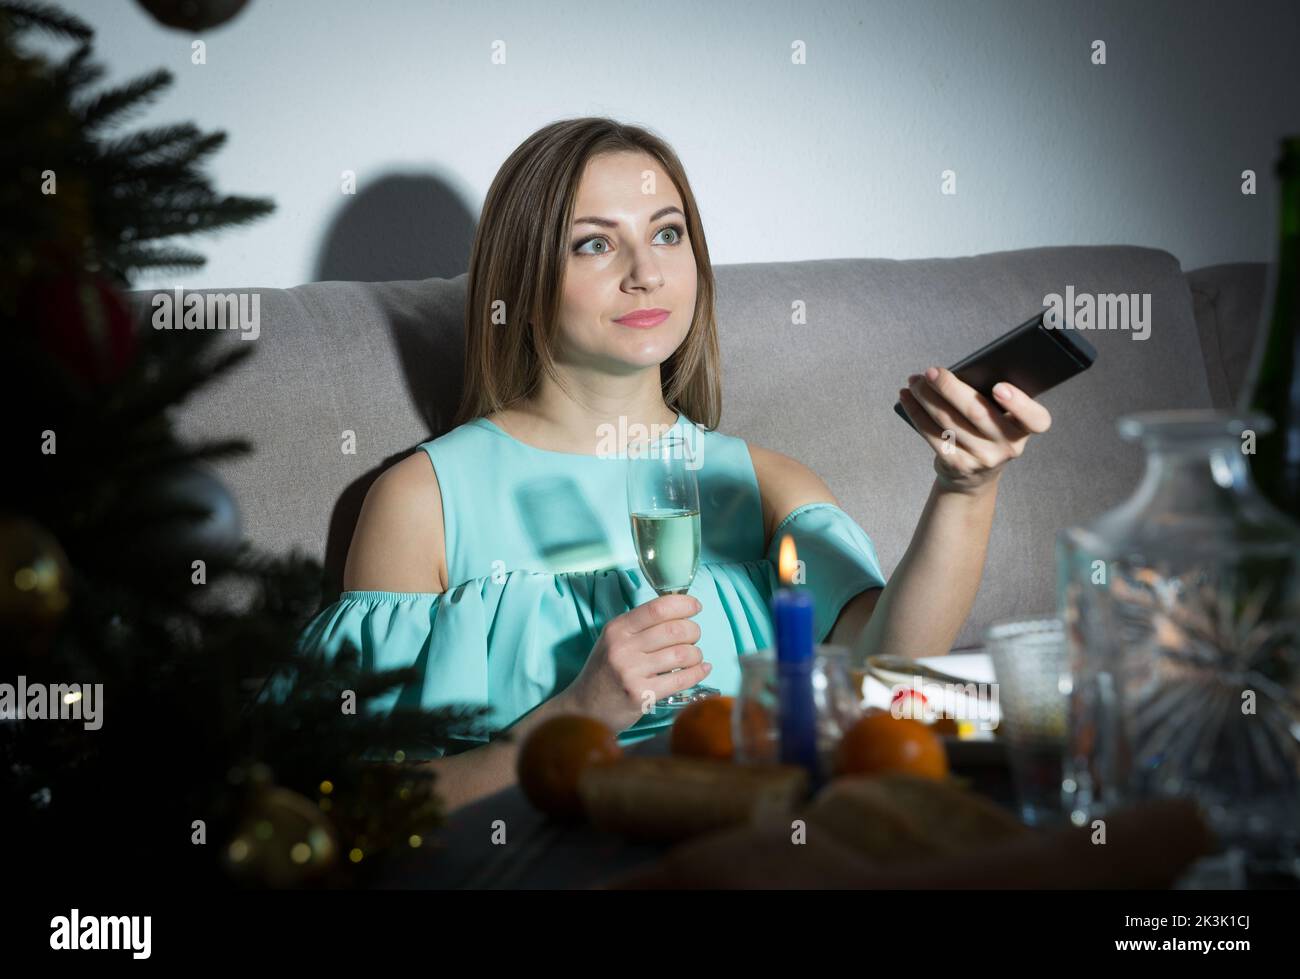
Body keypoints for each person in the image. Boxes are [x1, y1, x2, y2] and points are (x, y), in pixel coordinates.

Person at [296, 117, 1052, 813]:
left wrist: (967, 485)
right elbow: (361, 805)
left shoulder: (767, 486)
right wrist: (573, 719)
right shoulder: (420, 501)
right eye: (594, 242)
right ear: (520, 285)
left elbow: (883, 685)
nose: (645, 273)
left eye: (667, 233)